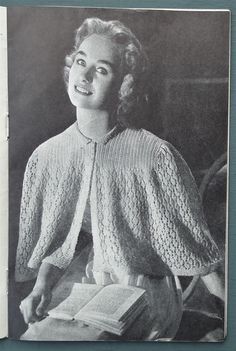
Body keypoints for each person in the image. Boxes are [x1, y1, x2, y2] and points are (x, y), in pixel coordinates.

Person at [15, 17, 225, 340]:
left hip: (145, 291)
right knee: (36, 338)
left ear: (124, 85)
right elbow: (58, 244)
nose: (83, 75)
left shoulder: (154, 156)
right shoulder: (48, 156)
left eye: (101, 70)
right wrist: (41, 287)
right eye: (81, 62)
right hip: (88, 285)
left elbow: (194, 250)